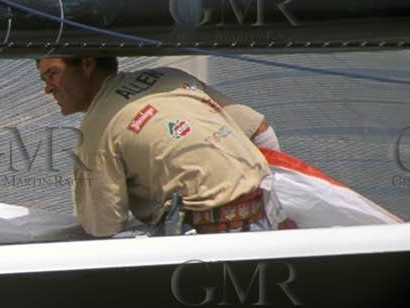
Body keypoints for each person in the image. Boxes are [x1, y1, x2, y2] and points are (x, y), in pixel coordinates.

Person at [36, 55, 286, 237]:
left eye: (52, 74)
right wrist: (283, 202)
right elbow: (261, 130)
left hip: (203, 242)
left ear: (87, 63)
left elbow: (102, 228)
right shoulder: (171, 78)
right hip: (263, 223)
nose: (48, 88)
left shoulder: (95, 132)